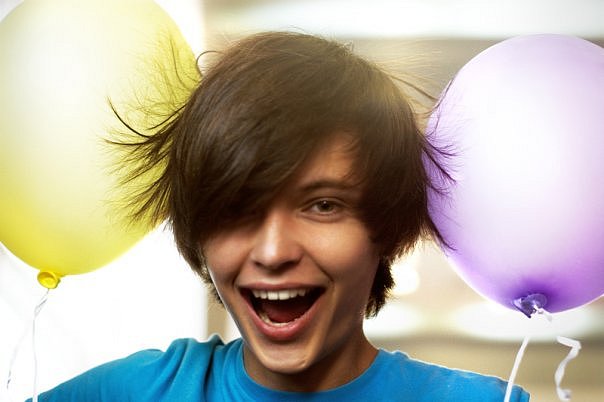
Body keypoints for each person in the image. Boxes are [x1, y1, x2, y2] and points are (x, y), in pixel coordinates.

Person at [30, 31, 529, 401]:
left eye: (323, 205)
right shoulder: (122, 395)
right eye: (236, 207)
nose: (273, 252)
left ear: (384, 227)